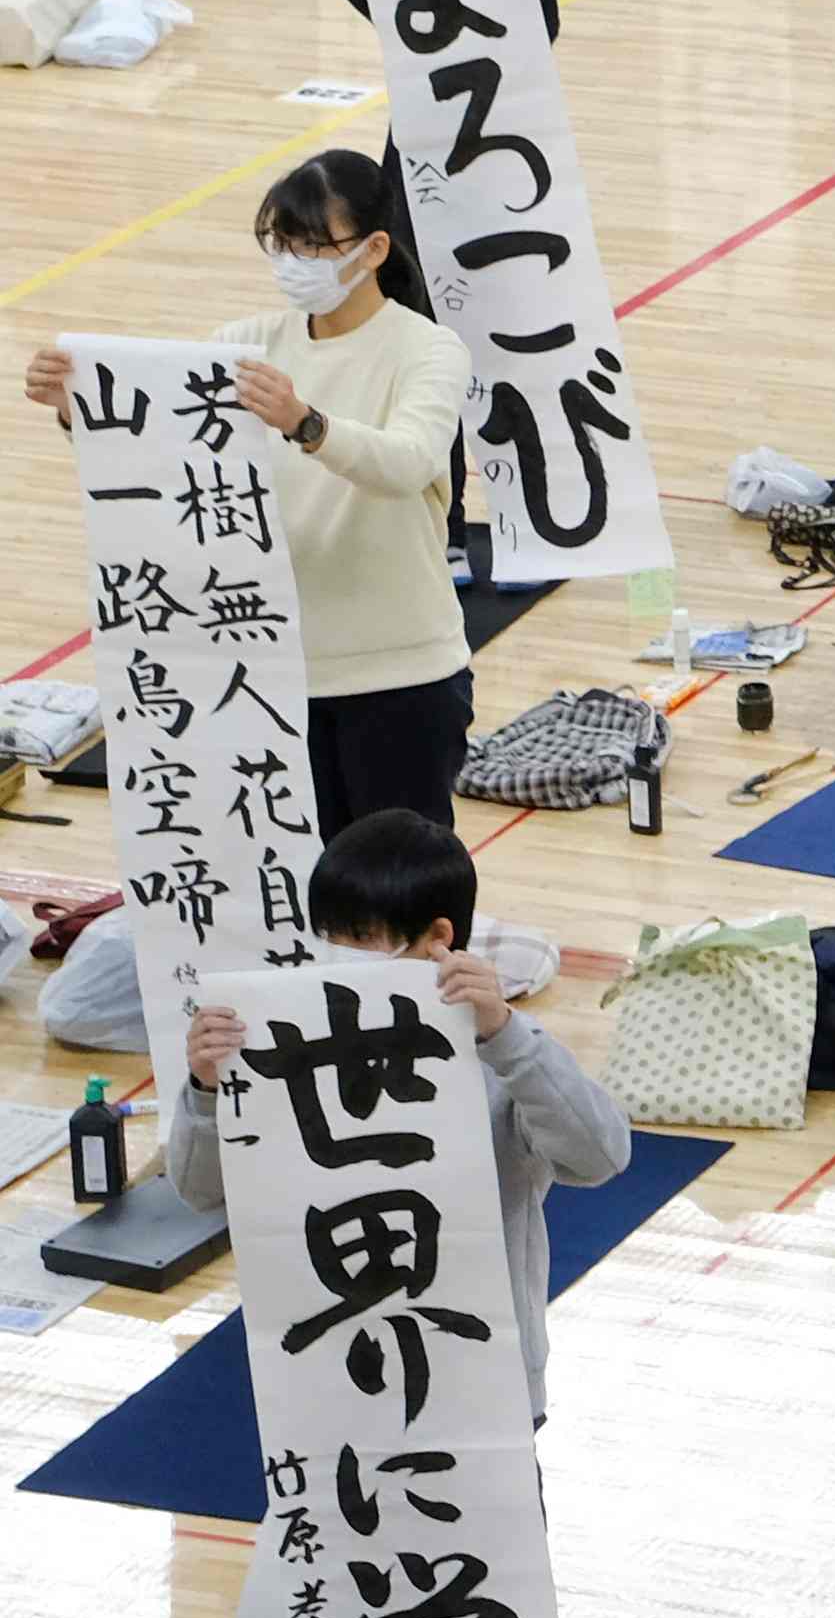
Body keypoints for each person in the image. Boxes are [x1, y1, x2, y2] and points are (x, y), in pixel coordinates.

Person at [26, 153, 472, 824]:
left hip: (400, 676)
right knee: (300, 890)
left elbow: (404, 465)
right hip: (267, 671)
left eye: (313, 244)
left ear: (375, 247)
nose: (294, 261)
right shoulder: (244, 345)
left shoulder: (428, 349)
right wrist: (75, 408)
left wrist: (307, 423)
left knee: (397, 883)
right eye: (282, 243)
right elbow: (160, 459)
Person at [164, 811, 628, 1411]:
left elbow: (600, 1157)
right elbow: (200, 1192)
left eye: (360, 939)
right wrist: (205, 1089)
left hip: (482, 1379)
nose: (337, 956)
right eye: (326, 936)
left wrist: (508, 1037)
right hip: (323, 1376)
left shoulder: (498, 1051)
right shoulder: (280, 1043)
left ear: (437, 937)